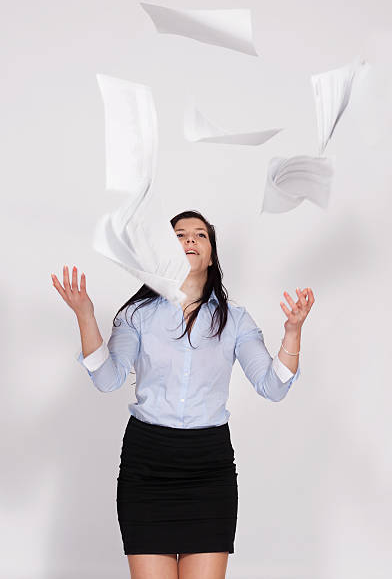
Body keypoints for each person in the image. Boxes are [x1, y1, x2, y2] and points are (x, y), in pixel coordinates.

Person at [51, 209, 314, 579]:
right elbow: (108, 378)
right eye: (179, 235)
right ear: (164, 251)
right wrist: (85, 316)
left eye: (200, 235)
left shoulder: (236, 321)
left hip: (209, 469)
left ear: (212, 255)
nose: (190, 239)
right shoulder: (136, 316)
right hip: (147, 466)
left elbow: (272, 386)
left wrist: (292, 333)